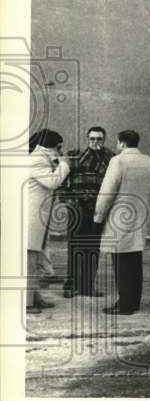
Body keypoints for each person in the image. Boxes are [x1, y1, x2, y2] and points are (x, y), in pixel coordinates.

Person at [94, 129, 150, 315]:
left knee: (121, 263)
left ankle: (125, 305)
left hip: (119, 216)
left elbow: (107, 192)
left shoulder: (117, 160)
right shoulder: (147, 160)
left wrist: (98, 217)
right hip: (139, 214)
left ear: (122, 143)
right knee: (135, 261)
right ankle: (133, 301)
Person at [60, 126, 115, 298]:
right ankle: (70, 286)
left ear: (104, 140)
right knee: (75, 248)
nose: (95, 142)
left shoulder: (111, 159)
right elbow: (61, 180)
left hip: (97, 210)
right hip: (77, 208)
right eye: (92, 139)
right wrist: (66, 199)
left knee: (92, 249)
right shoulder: (75, 157)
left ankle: (87, 287)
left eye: (99, 139)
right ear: (87, 139)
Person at [26, 129, 71, 314]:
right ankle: (27, 303)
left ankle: (34, 297)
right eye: (58, 146)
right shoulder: (36, 159)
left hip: (38, 218)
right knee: (29, 263)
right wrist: (65, 164)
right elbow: (53, 181)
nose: (59, 150)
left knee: (34, 261)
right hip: (30, 218)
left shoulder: (41, 157)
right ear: (50, 144)